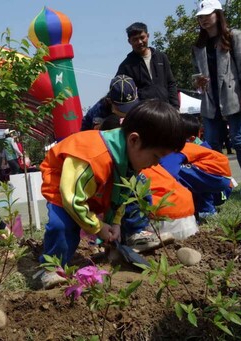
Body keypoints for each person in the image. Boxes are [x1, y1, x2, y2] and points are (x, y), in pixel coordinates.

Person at [38, 100, 186, 289]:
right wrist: (97, 226)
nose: (156, 164)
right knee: (63, 226)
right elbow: (71, 198)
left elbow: (120, 194)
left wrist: (114, 223)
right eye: (156, 156)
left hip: (92, 188)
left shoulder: (129, 159)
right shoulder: (93, 157)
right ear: (134, 140)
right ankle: (51, 267)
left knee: (104, 212)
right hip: (63, 186)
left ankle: (111, 249)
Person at [192, 0, 241, 195]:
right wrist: (198, 82)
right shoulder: (198, 46)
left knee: (237, 139)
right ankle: (221, 182)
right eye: (200, 17)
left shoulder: (234, 36)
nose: (204, 20)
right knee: (211, 144)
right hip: (210, 99)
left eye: (207, 15)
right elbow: (196, 73)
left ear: (218, 14)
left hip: (232, 95)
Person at [116, 22, 179, 109]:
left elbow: (171, 84)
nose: (140, 42)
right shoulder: (126, 65)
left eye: (142, 37)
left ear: (148, 36)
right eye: (135, 39)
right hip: (143, 113)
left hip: (166, 110)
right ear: (129, 41)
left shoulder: (161, 57)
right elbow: (118, 88)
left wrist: (175, 107)